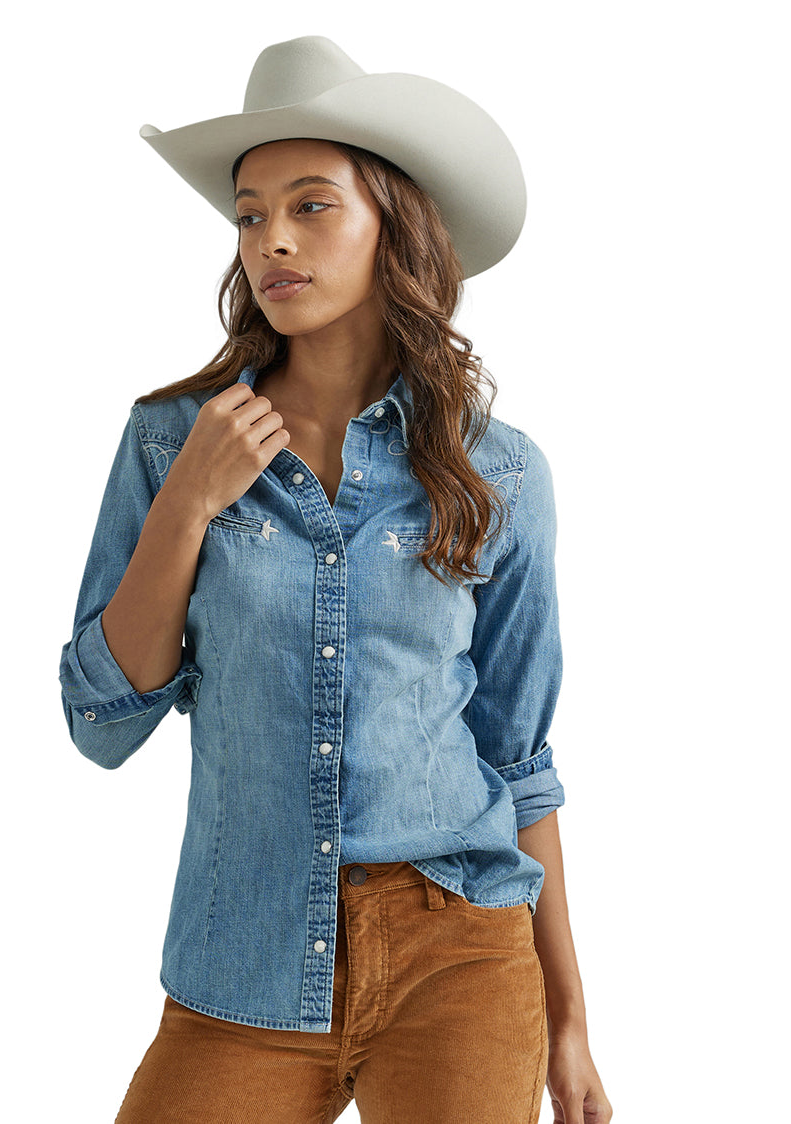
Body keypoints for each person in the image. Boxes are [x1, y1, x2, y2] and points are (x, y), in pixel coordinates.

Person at [59, 35, 613, 1124]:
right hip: (243, 952)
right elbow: (100, 722)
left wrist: (570, 1020)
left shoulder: (499, 472)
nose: (271, 239)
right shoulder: (171, 441)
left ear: (393, 226)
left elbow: (518, 758)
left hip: (462, 948)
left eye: (311, 206)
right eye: (249, 215)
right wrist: (188, 503)